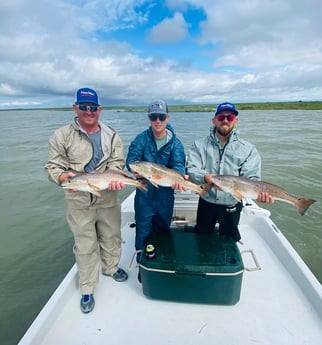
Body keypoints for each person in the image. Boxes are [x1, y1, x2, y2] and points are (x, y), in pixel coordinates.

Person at [45, 87, 128, 314]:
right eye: (83, 107)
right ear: (75, 108)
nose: (88, 112)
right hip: (78, 198)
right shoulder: (61, 135)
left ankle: (111, 268)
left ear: (99, 109)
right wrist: (63, 177)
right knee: (84, 243)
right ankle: (88, 287)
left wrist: (115, 176)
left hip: (108, 196)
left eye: (93, 108)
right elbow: (53, 166)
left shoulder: (112, 135)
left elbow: (118, 162)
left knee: (111, 234)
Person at [186, 101, 274, 241]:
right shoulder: (199, 145)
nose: (225, 120)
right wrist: (206, 177)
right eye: (221, 117)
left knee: (229, 239)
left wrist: (260, 195)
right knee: (202, 236)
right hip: (206, 201)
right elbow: (191, 168)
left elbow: (252, 179)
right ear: (214, 120)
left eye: (230, 117)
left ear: (236, 121)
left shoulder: (248, 149)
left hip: (232, 202)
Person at [126, 99, 186, 271]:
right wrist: (135, 170)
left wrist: (180, 178)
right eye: (154, 117)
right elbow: (131, 161)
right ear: (149, 118)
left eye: (161, 117)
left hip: (165, 197)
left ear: (167, 118)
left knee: (162, 230)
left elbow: (178, 164)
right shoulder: (141, 139)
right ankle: (143, 265)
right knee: (142, 231)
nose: (157, 121)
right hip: (144, 196)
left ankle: (161, 261)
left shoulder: (176, 143)